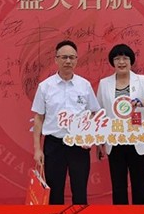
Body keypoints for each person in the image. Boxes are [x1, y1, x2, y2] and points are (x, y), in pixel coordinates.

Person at [31, 40, 100, 205]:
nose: (68, 61)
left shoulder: (84, 85)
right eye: (63, 57)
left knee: (80, 190)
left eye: (71, 57)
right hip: (54, 145)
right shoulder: (45, 86)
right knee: (54, 191)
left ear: (76, 60)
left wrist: (88, 136)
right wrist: (37, 149)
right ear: (56, 59)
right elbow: (39, 118)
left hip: (78, 145)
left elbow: (93, 113)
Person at [96, 43, 144, 205]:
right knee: (118, 187)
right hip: (115, 141)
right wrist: (99, 142)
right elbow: (100, 114)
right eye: (117, 58)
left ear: (131, 61)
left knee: (140, 186)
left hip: (137, 140)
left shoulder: (143, 81)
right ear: (112, 62)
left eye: (125, 58)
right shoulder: (104, 84)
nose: (121, 62)